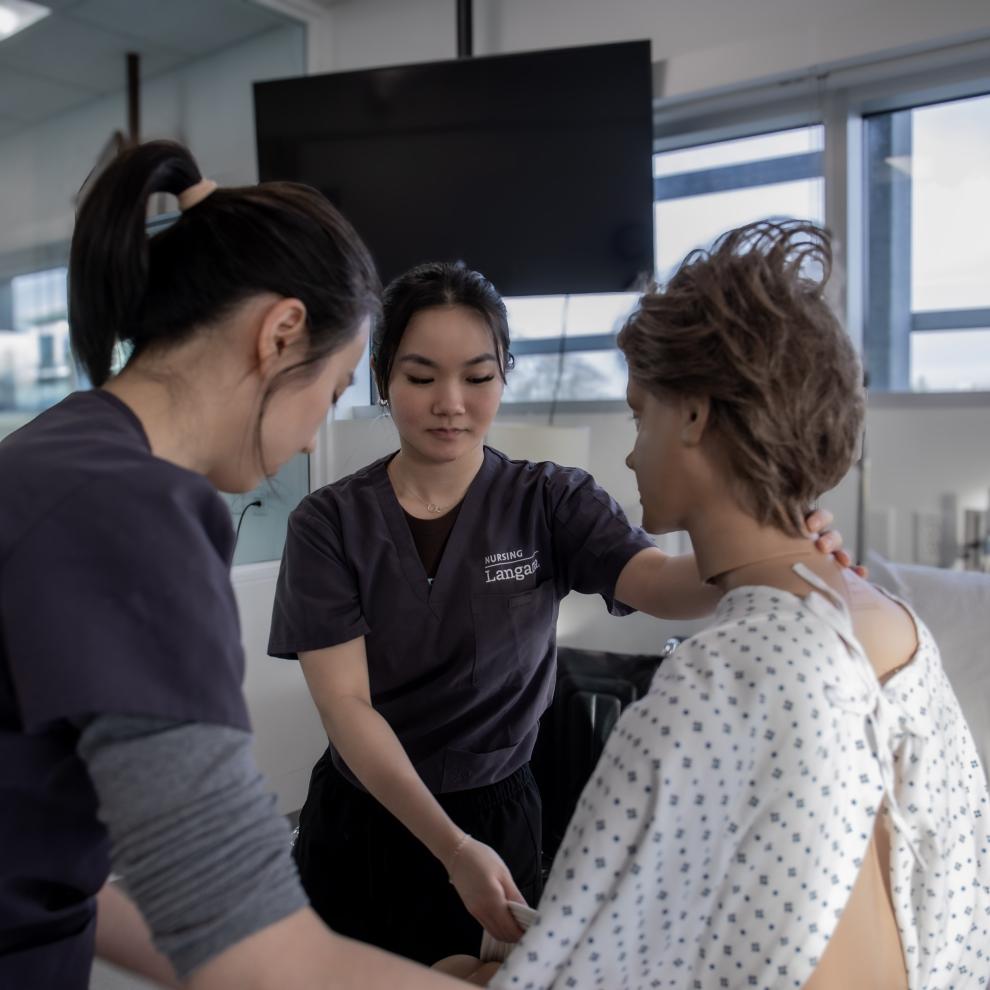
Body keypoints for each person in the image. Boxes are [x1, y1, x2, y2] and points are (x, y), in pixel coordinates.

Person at [267, 260, 851, 964]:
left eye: (478, 377)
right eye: (421, 377)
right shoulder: (327, 524)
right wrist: (450, 847)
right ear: (385, 378)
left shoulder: (549, 500)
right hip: (364, 817)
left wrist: (777, 551)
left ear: (506, 374)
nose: (450, 401)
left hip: (497, 817)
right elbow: (347, 709)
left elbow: (661, 582)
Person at [0, 140, 470, 990]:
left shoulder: (55, 449)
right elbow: (257, 960)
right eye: (325, 399)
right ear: (280, 332)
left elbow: (60, 880)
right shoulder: (133, 518)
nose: (309, 441)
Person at [479, 220, 990, 989]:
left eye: (636, 414)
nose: (628, 450)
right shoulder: (894, 623)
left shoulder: (720, 685)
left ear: (692, 415)